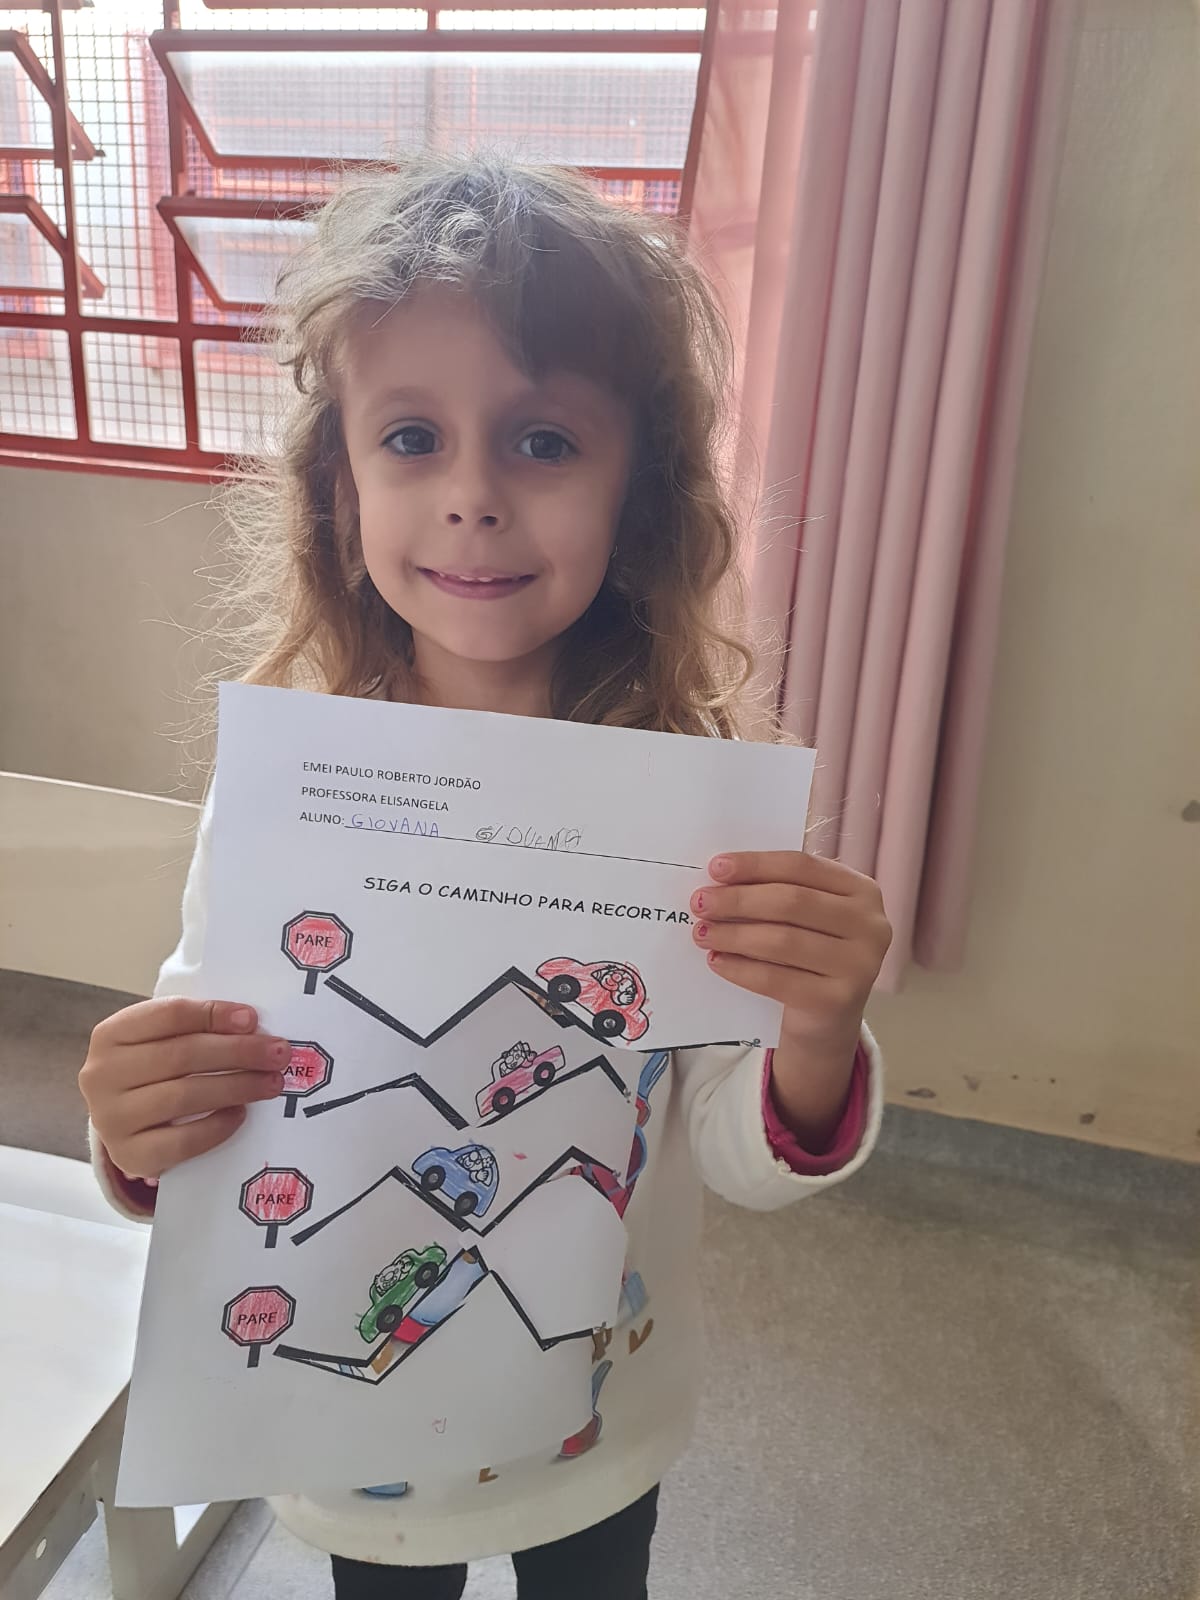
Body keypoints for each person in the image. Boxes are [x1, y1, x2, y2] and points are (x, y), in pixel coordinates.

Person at [79, 154, 892, 1600]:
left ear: (639, 492)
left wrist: (818, 1032)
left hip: (597, 1407)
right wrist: (142, 1129)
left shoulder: (688, 803)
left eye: (543, 441)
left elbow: (733, 1151)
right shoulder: (295, 798)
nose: (471, 498)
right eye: (410, 437)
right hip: (356, 1426)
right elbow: (226, 1090)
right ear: (340, 487)